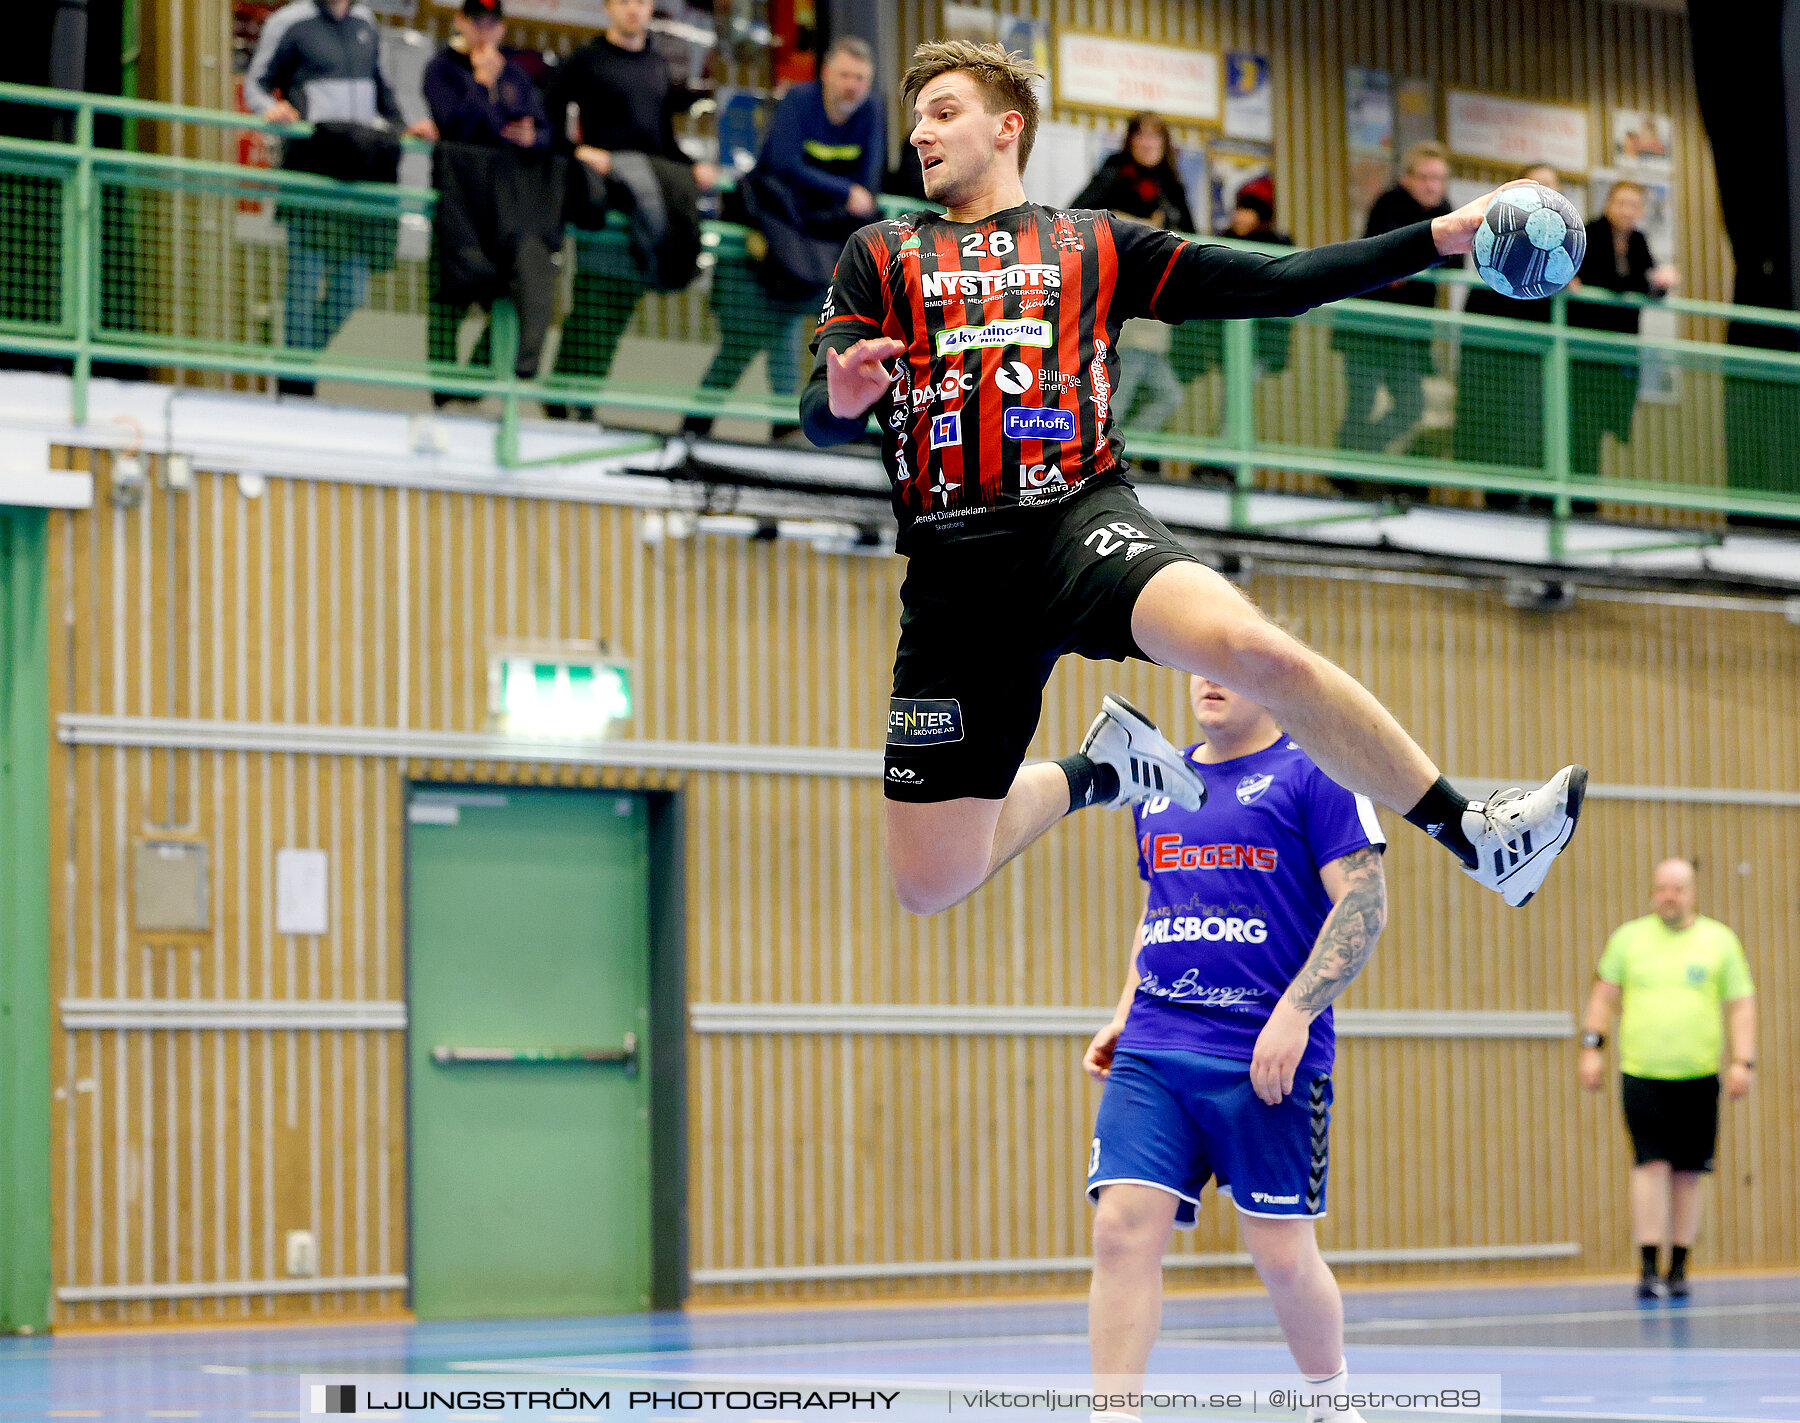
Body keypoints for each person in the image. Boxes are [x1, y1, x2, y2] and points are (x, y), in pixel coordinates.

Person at [800, 40, 1586, 922]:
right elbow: (822, 410)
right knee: (930, 881)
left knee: (1261, 651)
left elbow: (1278, 282)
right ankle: (1103, 770)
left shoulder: (1092, 242)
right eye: (917, 122)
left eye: (943, 112)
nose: (921, 135)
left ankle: (1475, 830)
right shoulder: (881, 251)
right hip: (952, 574)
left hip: (1076, 524)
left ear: (1007, 126)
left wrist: (1441, 237)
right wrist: (843, 397)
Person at [1084, 677, 1387, 1423]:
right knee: (1120, 1228)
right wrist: (1123, 1009)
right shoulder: (1158, 785)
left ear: (1271, 680)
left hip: (1267, 1058)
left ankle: (1331, 1402)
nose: (1208, 679)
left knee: (1282, 1255)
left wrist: (1294, 1014)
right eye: (1197, 663)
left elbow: (1365, 903)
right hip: (1156, 1045)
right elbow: (1160, 905)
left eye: (1229, 666)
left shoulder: (1317, 772)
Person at [686, 36, 882, 442]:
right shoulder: (798, 102)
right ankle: (704, 423)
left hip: (811, 258)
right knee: (748, 338)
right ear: (826, 74)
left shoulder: (871, 112)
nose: (852, 85)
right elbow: (784, 165)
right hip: (765, 253)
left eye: (861, 78)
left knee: (786, 330)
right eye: (845, 75)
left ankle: (772, 424)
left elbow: (870, 187)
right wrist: (842, 194)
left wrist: (835, 198)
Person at [1578, 858, 1756, 1301]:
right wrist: (1591, 1047)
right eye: (1661, 888)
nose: (1668, 896)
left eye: (1677, 888)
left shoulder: (1719, 941)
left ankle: (1678, 1266)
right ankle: (1646, 1267)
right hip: (1642, 1073)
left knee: (1688, 1172)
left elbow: (1741, 1004)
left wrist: (1743, 1060)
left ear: (1691, 891)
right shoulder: (1629, 939)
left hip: (1698, 1075)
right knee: (1649, 1164)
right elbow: (1603, 997)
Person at [252, 0, 434, 397]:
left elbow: (383, 94)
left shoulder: (365, 22)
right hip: (312, 172)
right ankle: (297, 389)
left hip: (361, 176)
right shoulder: (289, 21)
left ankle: (296, 370)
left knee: (351, 291)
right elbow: (257, 86)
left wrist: (406, 126)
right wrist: (274, 110)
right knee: (304, 284)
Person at [544, 0, 716, 422]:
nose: (634, 9)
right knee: (592, 304)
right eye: (624, 1)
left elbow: (661, 138)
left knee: (620, 308)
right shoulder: (585, 60)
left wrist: (691, 167)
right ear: (608, 8)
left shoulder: (657, 65)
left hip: (649, 208)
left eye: (641, 1)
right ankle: (558, 395)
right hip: (608, 206)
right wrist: (580, 152)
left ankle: (584, 401)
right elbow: (547, 118)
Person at [420, 0, 559, 406]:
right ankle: (442, 393)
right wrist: (481, 84)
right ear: (460, 22)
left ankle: (478, 383)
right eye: (475, 22)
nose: (483, 31)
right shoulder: (442, 69)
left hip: (505, 202)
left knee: (507, 290)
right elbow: (456, 123)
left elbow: (544, 132)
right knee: (449, 296)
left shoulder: (515, 75)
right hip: (456, 200)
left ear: (500, 28)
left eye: (491, 24)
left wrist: (531, 136)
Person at [1332, 142, 1458, 475]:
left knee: (1411, 406)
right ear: (1408, 178)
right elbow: (1391, 259)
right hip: (1367, 325)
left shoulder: (1445, 211)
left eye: (1440, 179)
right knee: (1362, 402)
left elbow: (1457, 264)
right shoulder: (1390, 203)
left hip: (1408, 333)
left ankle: (1358, 458)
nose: (1433, 186)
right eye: (1426, 177)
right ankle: (1344, 474)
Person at [1073, 115, 1197, 446]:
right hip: (1122, 294)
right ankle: (1105, 450)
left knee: (1165, 393)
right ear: (1130, 141)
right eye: (1140, 136)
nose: (1148, 143)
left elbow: (1192, 239)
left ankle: (1118, 449)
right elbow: (1079, 215)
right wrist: (1142, 224)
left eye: (1156, 136)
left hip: (1159, 301)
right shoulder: (1115, 173)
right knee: (1124, 384)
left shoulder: (1172, 185)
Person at [1453, 163, 1559, 506]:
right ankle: (1499, 497)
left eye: (1553, 188)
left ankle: (1535, 497)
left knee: (1533, 425)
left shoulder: (1565, 237)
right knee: (1495, 424)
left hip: (1535, 350)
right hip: (1492, 349)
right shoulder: (1498, 227)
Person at [1566, 180, 1680, 478]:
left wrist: (1657, 283)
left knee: (1607, 421)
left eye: (1634, 205)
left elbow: (1653, 286)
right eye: (1622, 203)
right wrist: (1646, 282)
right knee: (1580, 421)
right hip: (1585, 346)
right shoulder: (1590, 232)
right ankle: (1574, 495)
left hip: (1621, 348)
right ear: (1608, 204)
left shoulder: (1639, 240)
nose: (1628, 210)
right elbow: (1603, 280)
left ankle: (1587, 494)